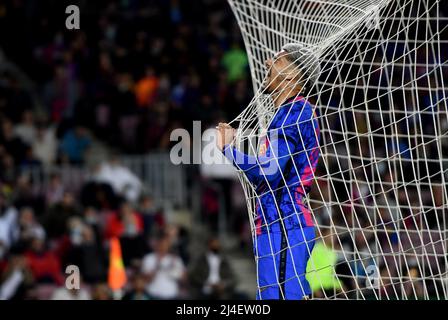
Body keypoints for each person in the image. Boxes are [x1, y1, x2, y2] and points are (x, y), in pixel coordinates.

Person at [216, 43, 321, 300]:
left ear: (292, 75)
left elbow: (269, 171)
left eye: (277, 59)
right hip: (274, 224)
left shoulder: (296, 111)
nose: (266, 62)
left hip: (286, 223)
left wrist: (229, 149)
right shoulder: (283, 114)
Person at [140, 232, 185, 299]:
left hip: (170, 295)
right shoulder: (149, 258)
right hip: (152, 294)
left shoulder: (176, 259)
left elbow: (183, 279)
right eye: (161, 244)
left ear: (169, 246)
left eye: (166, 245)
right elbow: (146, 279)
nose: (163, 247)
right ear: (157, 244)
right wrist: (157, 265)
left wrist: (174, 267)